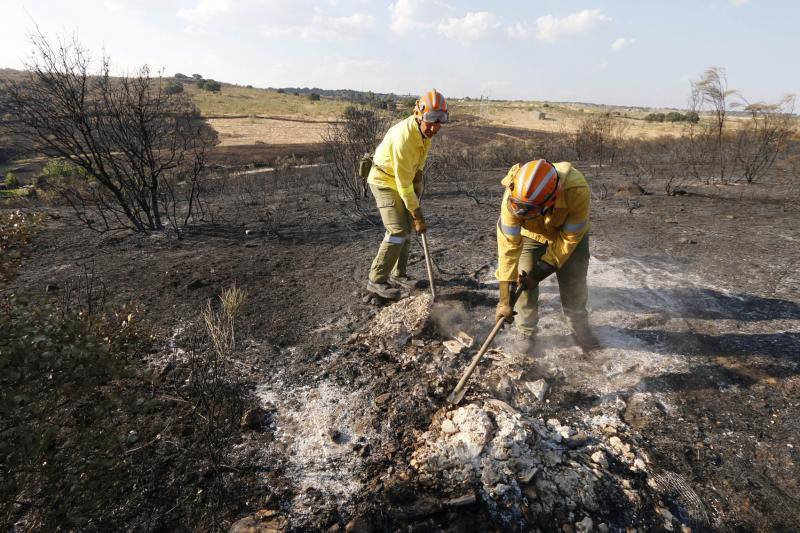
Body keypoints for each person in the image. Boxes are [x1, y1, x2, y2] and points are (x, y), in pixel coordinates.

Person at [494, 158, 599, 350]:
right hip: (531, 235)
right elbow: (508, 250)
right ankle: (526, 332)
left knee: (573, 282)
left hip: (567, 234)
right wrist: (504, 299)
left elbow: (568, 240)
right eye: (520, 210)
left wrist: (540, 272)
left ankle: (579, 327)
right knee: (522, 280)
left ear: (550, 201)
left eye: (530, 211)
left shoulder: (577, 190)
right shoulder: (513, 191)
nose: (522, 214)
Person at [365, 89, 448, 299]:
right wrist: (417, 214)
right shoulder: (404, 137)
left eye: (439, 121)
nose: (435, 127)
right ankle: (376, 280)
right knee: (397, 230)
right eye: (430, 120)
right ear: (418, 114)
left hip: (403, 180)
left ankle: (399, 274)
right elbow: (403, 184)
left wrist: (418, 178)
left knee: (407, 228)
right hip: (384, 181)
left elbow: (416, 167)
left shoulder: (425, 132)